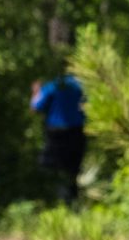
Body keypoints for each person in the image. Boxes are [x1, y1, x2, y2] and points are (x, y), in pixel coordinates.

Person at [30, 69, 88, 203]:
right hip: (77, 130)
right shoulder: (79, 85)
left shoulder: (52, 86)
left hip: (56, 132)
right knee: (73, 167)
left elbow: (35, 106)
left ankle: (56, 200)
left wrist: (36, 91)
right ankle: (71, 200)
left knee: (55, 166)